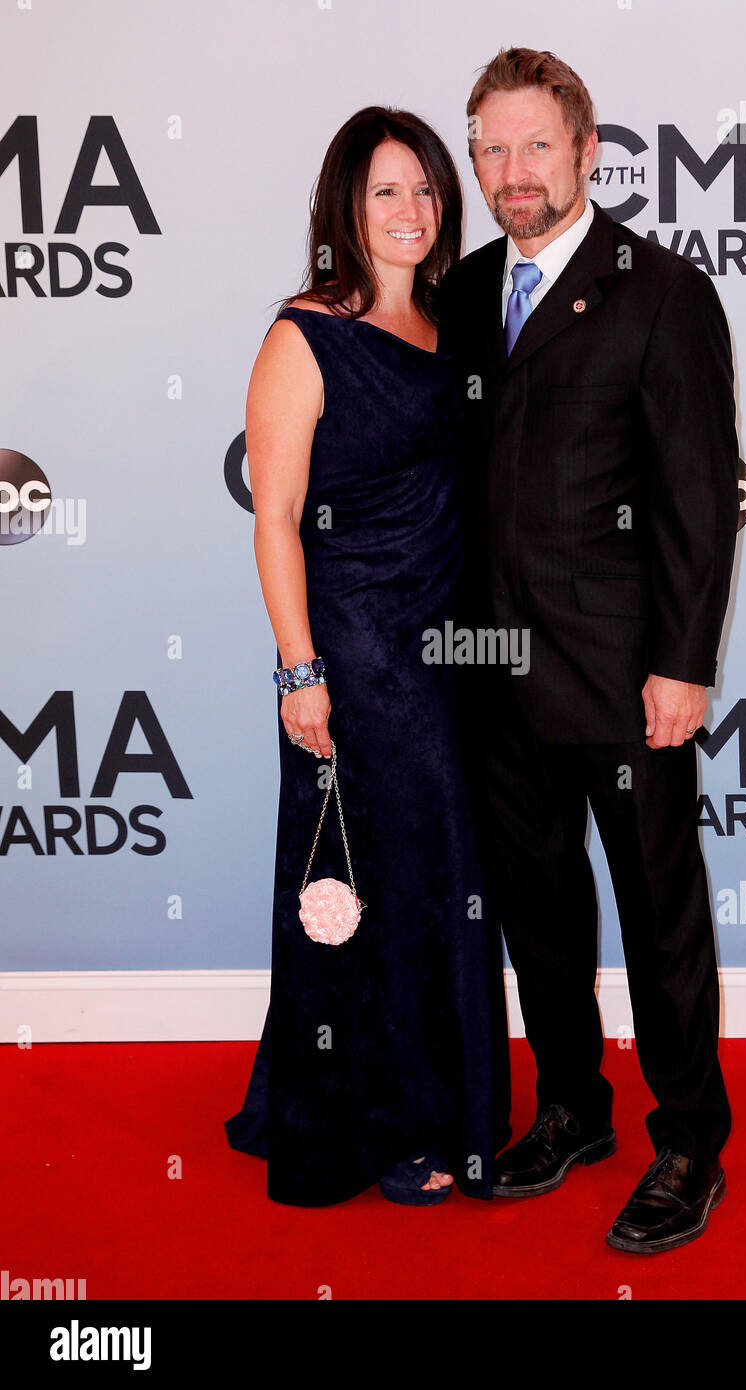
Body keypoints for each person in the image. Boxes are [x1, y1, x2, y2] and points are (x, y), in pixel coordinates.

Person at [437, 48, 739, 1252]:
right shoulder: (461, 291)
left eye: (534, 147)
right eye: (491, 150)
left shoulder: (659, 292)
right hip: (490, 671)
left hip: (625, 681)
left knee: (660, 914)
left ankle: (688, 1142)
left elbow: (695, 498)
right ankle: (571, 1106)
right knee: (538, 913)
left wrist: (683, 663)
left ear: (584, 151)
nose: (512, 172)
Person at [224, 106, 511, 1207]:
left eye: (427, 190)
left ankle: (428, 1101)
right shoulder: (305, 333)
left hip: (448, 648)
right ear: (345, 208)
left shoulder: (454, 323)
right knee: (369, 881)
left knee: (439, 880)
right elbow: (275, 514)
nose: (411, 211)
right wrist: (300, 672)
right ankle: (379, 1121)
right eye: (385, 191)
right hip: (354, 652)